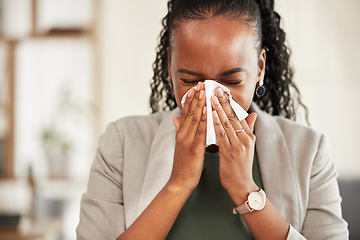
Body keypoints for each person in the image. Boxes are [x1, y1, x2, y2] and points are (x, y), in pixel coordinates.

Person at [76, 0, 349, 239]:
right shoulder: (121, 142)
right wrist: (178, 184)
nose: (209, 97)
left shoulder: (310, 151)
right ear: (170, 66)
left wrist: (245, 189)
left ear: (260, 68)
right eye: (190, 80)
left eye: (231, 81)